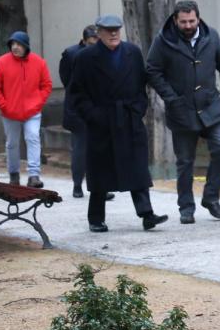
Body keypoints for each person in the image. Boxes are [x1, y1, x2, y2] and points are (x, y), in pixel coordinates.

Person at [67, 14, 168, 232]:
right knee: (100, 171)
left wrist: (139, 109)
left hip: (129, 119)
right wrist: (93, 115)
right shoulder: (85, 58)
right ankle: (96, 218)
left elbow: (142, 85)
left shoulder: (132, 52)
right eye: (108, 30)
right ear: (99, 32)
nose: (113, 34)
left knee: (138, 168)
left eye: (116, 30)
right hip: (102, 122)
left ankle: (147, 214)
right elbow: (76, 94)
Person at [145, 0, 220, 224]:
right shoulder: (163, 40)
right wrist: (171, 98)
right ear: (175, 20)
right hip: (182, 110)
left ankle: (211, 198)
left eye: (192, 21)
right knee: (185, 161)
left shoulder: (211, 36)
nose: (188, 25)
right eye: (183, 21)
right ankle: (186, 207)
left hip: (211, 106)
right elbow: (152, 70)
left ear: (198, 18)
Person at [0, 31, 52, 187]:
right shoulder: (0, 63)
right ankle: (14, 174)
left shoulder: (39, 63)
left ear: (26, 46)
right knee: (12, 143)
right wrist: (4, 105)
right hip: (10, 112)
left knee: (33, 138)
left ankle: (34, 176)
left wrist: (38, 103)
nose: (15, 47)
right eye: (13, 44)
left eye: (19, 44)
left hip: (32, 111)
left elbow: (46, 85)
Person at [59, 24, 113, 202]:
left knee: (100, 149)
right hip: (78, 109)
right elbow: (67, 81)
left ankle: (100, 186)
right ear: (83, 41)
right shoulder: (71, 54)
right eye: (91, 43)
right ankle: (77, 184)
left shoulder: (104, 53)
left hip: (99, 108)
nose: (95, 45)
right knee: (80, 149)